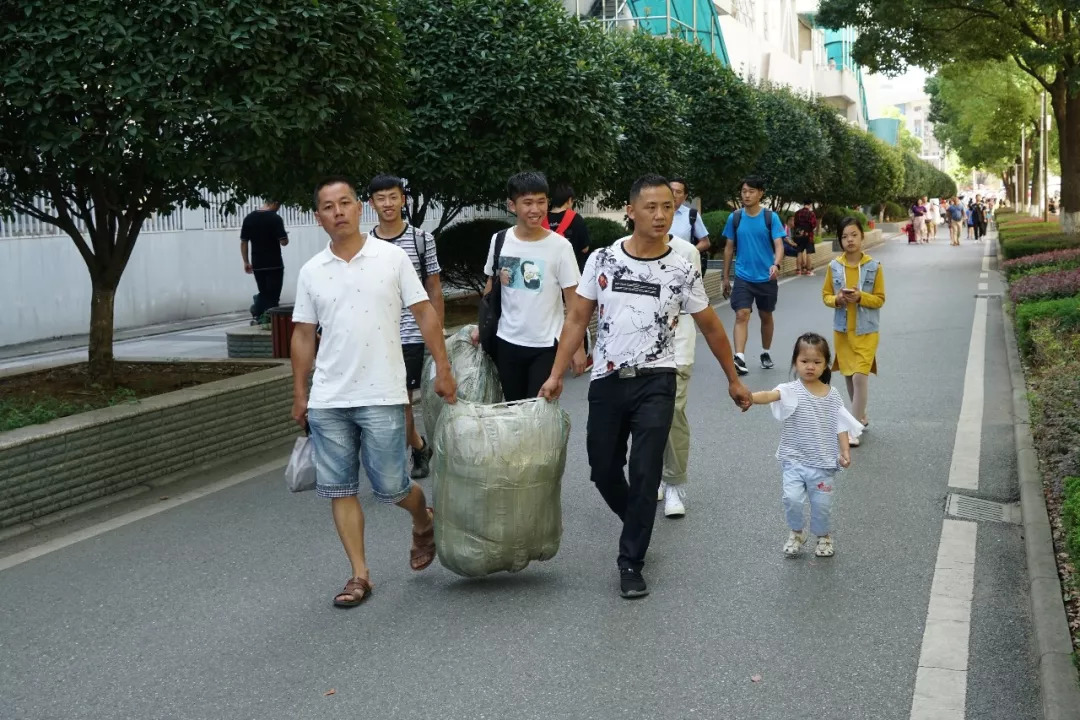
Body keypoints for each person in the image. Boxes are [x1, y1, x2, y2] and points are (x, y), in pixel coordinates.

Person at [539, 174, 752, 599]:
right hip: (607, 378)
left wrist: (733, 378)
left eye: (667, 208)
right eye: (650, 207)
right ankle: (638, 520)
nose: (659, 215)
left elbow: (710, 326)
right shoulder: (602, 259)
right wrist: (556, 373)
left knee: (645, 470)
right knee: (602, 470)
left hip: (658, 378)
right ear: (631, 211)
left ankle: (631, 560)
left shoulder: (681, 267)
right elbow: (578, 318)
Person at [290, 176, 457, 608]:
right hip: (329, 399)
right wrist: (300, 392)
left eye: (345, 203)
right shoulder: (312, 271)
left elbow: (424, 312)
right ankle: (359, 575)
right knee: (339, 488)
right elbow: (304, 335)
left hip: (382, 393)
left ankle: (423, 520)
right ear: (318, 217)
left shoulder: (392, 258)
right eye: (328, 206)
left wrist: (443, 366)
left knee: (392, 487)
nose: (338, 211)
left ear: (358, 208)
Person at [750, 333, 862, 558]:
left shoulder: (833, 395)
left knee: (821, 505)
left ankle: (823, 536)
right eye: (804, 361)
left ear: (825, 365)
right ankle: (796, 532)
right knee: (791, 499)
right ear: (795, 362)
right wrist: (748, 397)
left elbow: (840, 424)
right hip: (793, 460)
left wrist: (845, 451)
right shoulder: (790, 390)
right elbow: (769, 395)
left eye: (817, 362)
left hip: (822, 463)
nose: (810, 367)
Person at [478, 171, 587, 401]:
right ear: (512, 205)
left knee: (538, 414)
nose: (535, 210)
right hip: (506, 342)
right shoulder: (499, 240)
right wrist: (482, 325)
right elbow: (491, 284)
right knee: (514, 410)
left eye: (541, 202)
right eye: (527, 203)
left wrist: (577, 347)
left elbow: (573, 302)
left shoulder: (560, 247)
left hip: (546, 346)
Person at [368, 174, 444, 480]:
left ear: (403, 200)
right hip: (376, 336)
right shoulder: (364, 244)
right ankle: (419, 444)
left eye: (393, 197)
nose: (388, 204)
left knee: (402, 399)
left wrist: (436, 334)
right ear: (371, 203)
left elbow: (434, 289)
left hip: (412, 333)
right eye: (381, 198)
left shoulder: (421, 240)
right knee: (388, 400)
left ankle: (412, 454)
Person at [821, 217, 886, 447]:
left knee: (860, 376)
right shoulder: (834, 266)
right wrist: (837, 299)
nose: (849, 240)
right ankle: (861, 415)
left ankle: (853, 427)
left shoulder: (873, 266)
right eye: (845, 236)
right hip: (842, 331)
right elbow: (826, 296)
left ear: (862, 236)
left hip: (866, 331)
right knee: (849, 375)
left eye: (854, 235)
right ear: (840, 240)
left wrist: (861, 297)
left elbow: (879, 300)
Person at [720, 176, 787, 376]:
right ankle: (739, 357)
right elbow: (729, 248)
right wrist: (725, 277)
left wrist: (776, 264)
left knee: (766, 315)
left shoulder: (770, 217)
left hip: (766, 277)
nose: (746, 195)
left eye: (751, 191)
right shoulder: (735, 217)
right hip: (743, 276)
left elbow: (779, 244)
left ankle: (765, 352)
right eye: (743, 191)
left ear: (760, 193)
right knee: (742, 314)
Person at [657, 233, 703, 519]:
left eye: (667, 206)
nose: (659, 214)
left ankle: (673, 482)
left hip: (678, 344)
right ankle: (653, 475)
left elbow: (696, 305)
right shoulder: (620, 250)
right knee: (645, 416)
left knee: (673, 412)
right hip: (636, 352)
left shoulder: (686, 252)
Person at [240, 201, 289, 324]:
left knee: (264, 292)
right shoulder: (275, 218)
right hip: (274, 264)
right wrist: (284, 236)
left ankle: (259, 313)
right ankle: (264, 317)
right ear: (275, 204)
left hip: (258, 263)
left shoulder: (249, 218)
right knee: (273, 295)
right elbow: (284, 241)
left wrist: (246, 261)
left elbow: (244, 242)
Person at [544, 183, 592, 272]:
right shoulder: (577, 219)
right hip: (570, 271)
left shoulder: (541, 219)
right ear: (569, 200)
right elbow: (585, 249)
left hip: (546, 270)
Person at [669, 177, 712, 270]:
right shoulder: (655, 214)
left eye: (678, 192)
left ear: (685, 197)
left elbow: (705, 242)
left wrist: (688, 253)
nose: (674, 194)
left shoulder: (691, 215)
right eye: (671, 190)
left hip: (683, 267)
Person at [793, 201, 818, 276]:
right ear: (810, 205)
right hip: (808, 235)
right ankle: (809, 271)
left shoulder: (797, 213)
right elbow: (814, 224)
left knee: (799, 252)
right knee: (808, 253)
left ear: (804, 204)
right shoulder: (811, 214)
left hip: (799, 235)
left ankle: (798, 271)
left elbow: (795, 223)